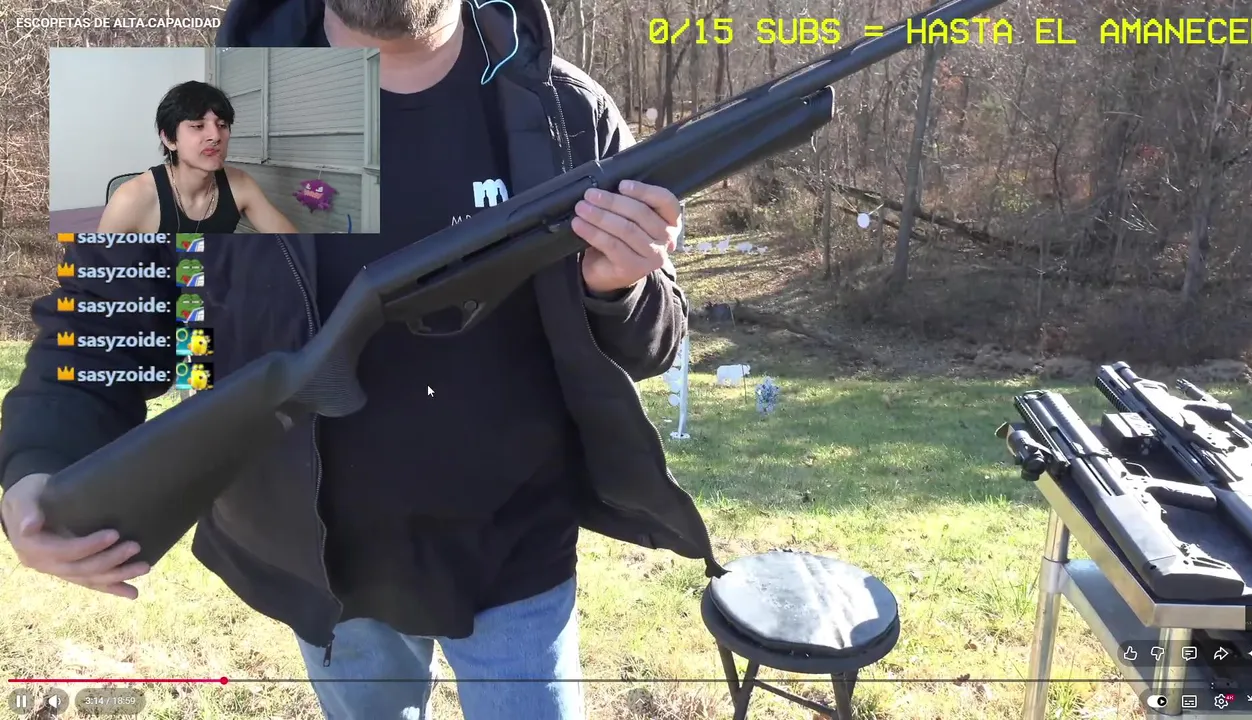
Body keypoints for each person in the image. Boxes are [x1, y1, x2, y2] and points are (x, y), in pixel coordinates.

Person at [0, 0, 724, 719]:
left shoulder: (567, 112)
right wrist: (37, 462)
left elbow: (653, 344)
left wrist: (617, 287)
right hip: (324, 572)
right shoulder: (188, 117)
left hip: (520, 553)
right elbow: (97, 324)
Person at [99, 80, 298, 234]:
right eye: (198, 126)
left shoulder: (240, 184)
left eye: (222, 125)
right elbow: (96, 268)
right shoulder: (131, 198)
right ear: (169, 139)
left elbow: (295, 245)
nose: (215, 136)